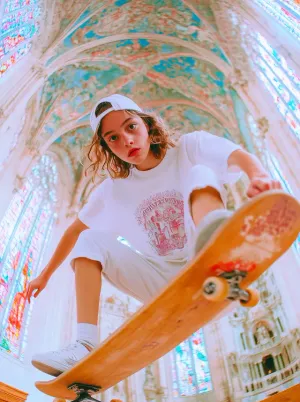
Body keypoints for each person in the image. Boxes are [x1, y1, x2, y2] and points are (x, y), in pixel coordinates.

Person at [27, 94, 281, 376]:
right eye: (112, 138)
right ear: (106, 148)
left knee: (200, 172)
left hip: (212, 267)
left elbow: (236, 155)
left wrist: (258, 176)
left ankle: (217, 252)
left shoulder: (189, 147)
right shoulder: (112, 191)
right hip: (166, 285)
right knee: (90, 240)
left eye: (130, 127)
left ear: (146, 123)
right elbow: (74, 231)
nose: (126, 140)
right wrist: (44, 275)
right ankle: (85, 344)